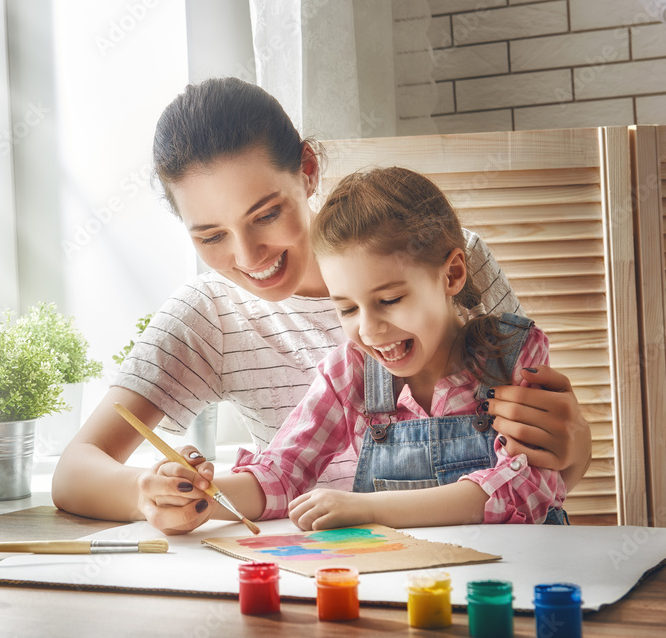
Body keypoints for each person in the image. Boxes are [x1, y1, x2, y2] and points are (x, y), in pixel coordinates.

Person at [52, 77, 591, 531]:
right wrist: (161, 495)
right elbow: (75, 472)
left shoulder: (452, 257)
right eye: (211, 235)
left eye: (265, 214)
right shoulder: (215, 315)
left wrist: (573, 444)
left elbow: (547, 469)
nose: (249, 255)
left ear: (307, 170)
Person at [181, 166, 567, 531]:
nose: (368, 330)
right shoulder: (352, 370)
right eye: (347, 308)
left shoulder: (514, 354)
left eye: (389, 300)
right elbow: (281, 473)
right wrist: (198, 496)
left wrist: (367, 508)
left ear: (452, 274)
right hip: (405, 581)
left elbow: (522, 487)